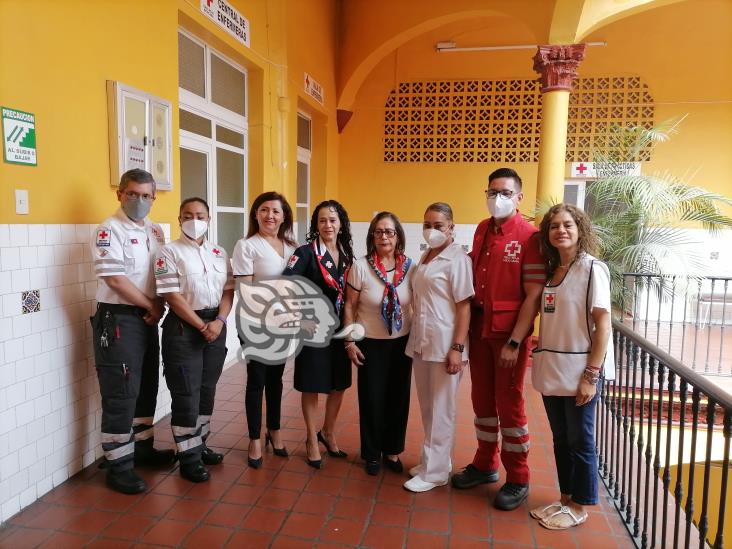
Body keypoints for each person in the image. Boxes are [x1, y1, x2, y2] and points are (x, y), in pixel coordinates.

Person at [451, 168, 545, 511]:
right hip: (479, 330)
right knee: (481, 401)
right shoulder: (480, 229)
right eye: (491, 192)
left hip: (508, 337)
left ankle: (519, 477)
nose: (497, 198)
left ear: (519, 196)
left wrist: (516, 342)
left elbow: (533, 296)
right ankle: (485, 463)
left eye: (504, 192)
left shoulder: (530, 236)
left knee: (510, 404)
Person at [90, 168, 175, 494]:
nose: (139, 200)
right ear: (120, 194)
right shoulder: (109, 230)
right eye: (132, 194)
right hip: (119, 319)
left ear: (153, 198)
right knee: (121, 393)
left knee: (145, 388)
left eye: (145, 195)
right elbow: (114, 279)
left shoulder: (155, 231)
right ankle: (119, 465)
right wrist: (150, 305)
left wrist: (161, 304)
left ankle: (141, 450)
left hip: (146, 319)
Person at [530, 203, 615, 529]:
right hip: (553, 369)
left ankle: (580, 505)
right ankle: (565, 498)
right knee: (561, 438)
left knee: (581, 440)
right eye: (554, 226)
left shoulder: (593, 269)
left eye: (567, 225)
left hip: (581, 370)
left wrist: (591, 376)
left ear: (580, 230)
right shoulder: (553, 271)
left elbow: (603, 325)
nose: (560, 231)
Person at [154, 197, 234, 483]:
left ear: (209, 219)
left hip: (215, 324)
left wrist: (220, 322)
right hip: (184, 328)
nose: (194, 219)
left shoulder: (218, 252)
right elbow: (171, 296)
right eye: (188, 215)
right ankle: (188, 457)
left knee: (206, 389)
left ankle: (199, 445)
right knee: (186, 393)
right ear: (179, 219)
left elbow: (228, 291)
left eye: (200, 215)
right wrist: (203, 326)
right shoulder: (168, 252)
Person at [403, 203, 473, 493]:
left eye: (438, 225)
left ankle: (435, 474)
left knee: (442, 409)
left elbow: (464, 307)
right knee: (429, 407)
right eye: (427, 224)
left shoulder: (458, 259)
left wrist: (457, 348)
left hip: (445, 345)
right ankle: (435, 461)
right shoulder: (427, 255)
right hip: (422, 342)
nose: (432, 230)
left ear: (451, 228)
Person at [283, 200, 354, 469]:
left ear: (340, 224)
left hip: (341, 329)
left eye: (333, 220)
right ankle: (312, 438)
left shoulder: (347, 254)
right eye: (322, 220)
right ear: (316, 225)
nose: (328, 225)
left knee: (339, 384)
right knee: (312, 384)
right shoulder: (304, 253)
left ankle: (328, 432)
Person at [343, 212, 414, 476]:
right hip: (370, 342)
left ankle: (393, 450)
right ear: (372, 236)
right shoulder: (360, 266)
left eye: (390, 232)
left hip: (401, 342)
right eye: (379, 232)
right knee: (372, 399)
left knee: (399, 398)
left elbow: (415, 304)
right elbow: (349, 305)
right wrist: (349, 340)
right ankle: (372, 453)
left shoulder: (410, 267)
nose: (384, 236)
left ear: (398, 237)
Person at [232, 191, 297, 468]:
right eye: (264, 210)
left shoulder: (292, 247)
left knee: (276, 380)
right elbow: (245, 290)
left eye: (276, 211)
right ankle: (254, 439)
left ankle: (275, 430)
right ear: (256, 214)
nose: (270, 215)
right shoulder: (247, 245)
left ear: (284, 217)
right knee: (256, 380)